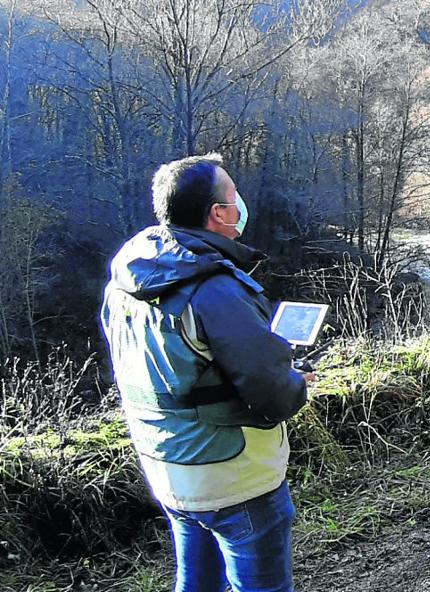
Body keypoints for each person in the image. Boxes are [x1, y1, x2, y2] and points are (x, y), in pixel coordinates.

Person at [100, 153, 314, 592]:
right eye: (234, 196)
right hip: (233, 473)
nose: (241, 204)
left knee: (195, 584)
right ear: (219, 214)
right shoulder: (215, 289)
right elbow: (273, 394)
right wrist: (296, 381)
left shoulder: (125, 281)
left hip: (166, 465)